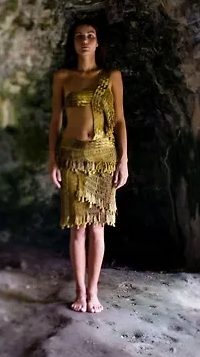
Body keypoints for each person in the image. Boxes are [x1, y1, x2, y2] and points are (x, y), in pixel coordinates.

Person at [48, 19, 128, 314]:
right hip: (71, 156)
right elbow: (56, 121)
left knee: (97, 229)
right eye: (79, 36)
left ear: (97, 42)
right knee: (77, 228)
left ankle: (93, 292)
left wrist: (124, 160)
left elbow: (119, 120)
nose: (85, 40)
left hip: (103, 158)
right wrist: (52, 159)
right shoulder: (63, 77)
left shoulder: (111, 76)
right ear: (73, 42)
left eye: (90, 35)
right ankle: (79, 292)